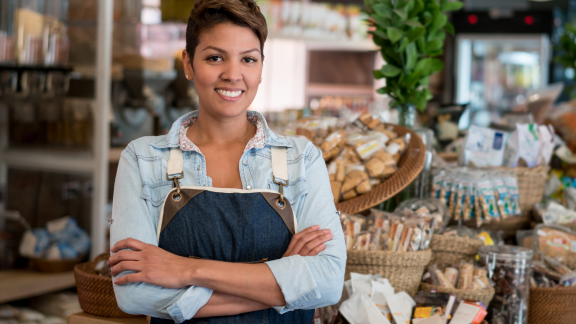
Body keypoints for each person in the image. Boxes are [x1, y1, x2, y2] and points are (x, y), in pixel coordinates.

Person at [108, 0, 346, 323]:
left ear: (261, 68)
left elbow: (328, 283)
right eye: (215, 57)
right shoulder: (142, 159)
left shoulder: (301, 159)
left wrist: (184, 269)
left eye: (248, 59)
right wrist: (281, 283)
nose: (233, 74)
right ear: (188, 64)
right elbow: (134, 293)